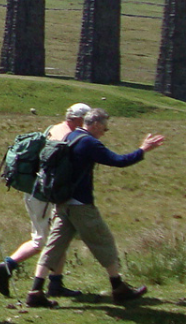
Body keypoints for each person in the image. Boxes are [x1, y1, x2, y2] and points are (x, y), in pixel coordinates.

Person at [24, 108, 166, 308]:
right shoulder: (89, 142)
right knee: (104, 242)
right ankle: (118, 288)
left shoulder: (72, 136)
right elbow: (119, 161)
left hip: (62, 203)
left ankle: (35, 291)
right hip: (81, 205)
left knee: (53, 247)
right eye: (105, 129)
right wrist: (143, 149)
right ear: (96, 124)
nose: (104, 132)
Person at [0, 103, 92, 298]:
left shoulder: (52, 129)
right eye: (85, 120)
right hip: (45, 196)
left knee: (57, 238)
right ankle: (6, 268)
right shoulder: (67, 138)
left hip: (34, 191)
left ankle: (56, 283)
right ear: (78, 119)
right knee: (42, 241)